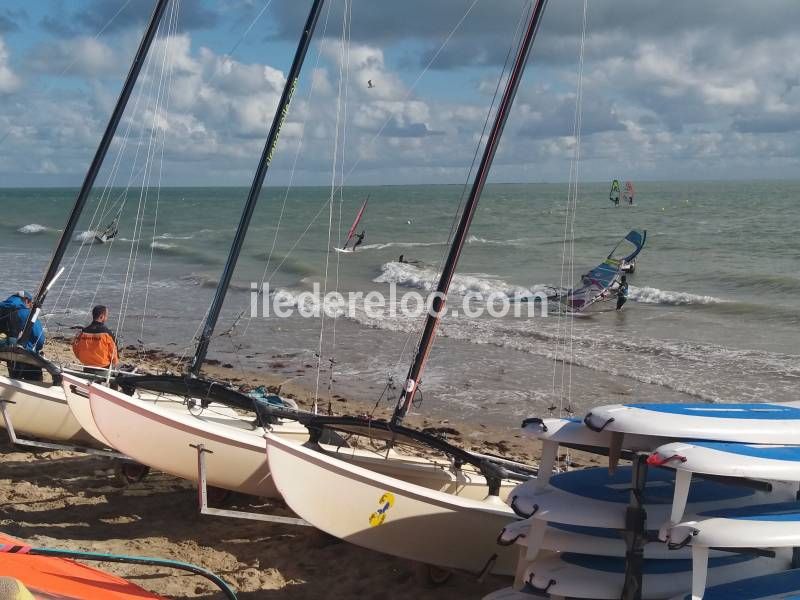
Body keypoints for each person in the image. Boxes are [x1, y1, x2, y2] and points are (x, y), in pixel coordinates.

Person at [0, 291, 46, 380]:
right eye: (30, 303)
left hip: (8, 353)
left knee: (14, 379)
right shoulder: (26, 313)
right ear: (26, 300)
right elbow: (39, 338)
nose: (31, 306)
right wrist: (37, 348)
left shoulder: (2, 308)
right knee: (34, 383)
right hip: (26, 355)